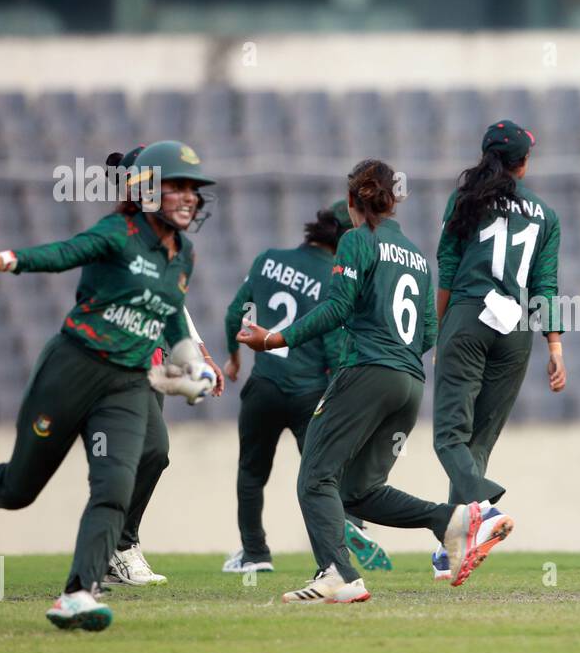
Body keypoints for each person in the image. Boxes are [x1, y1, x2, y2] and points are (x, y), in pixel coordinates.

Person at [0, 140, 218, 631]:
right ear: (146, 190)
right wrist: (8, 259)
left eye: (193, 189)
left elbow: (171, 321)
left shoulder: (184, 254)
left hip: (126, 382)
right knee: (19, 488)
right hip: (73, 366)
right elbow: (64, 252)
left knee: (115, 487)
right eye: (177, 187)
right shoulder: (118, 232)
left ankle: (77, 594)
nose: (189, 198)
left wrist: (192, 365)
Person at [235, 159, 513, 602]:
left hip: (367, 373)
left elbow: (337, 309)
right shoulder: (419, 259)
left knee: (315, 478)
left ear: (352, 201)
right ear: (395, 202)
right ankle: (451, 522)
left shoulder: (355, 241)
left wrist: (274, 338)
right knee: (358, 490)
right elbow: (427, 333)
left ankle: (337, 575)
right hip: (409, 383)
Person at [222, 202, 390, 574]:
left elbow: (235, 312)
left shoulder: (268, 259)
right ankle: (344, 536)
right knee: (322, 475)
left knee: (252, 472)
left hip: (263, 386)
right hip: (309, 394)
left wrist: (233, 357)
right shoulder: (337, 276)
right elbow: (334, 347)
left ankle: (254, 554)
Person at [431, 120, 565, 580]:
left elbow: (447, 267)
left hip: (469, 315)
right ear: (522, 163)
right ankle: (452, 545)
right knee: (478, 442)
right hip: (518, 329)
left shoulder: (465, 199)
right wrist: (556, 346)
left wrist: (439, 329)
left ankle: (483, 511)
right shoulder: (546, 214)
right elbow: (545, 285)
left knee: (449, 436)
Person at [101, 144, 225, 589]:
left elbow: (173, 303)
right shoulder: (122, 236)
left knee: (144, 454)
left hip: (151, 362)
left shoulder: (164, 242)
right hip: (115, 360)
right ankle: (116, 548)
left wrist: (198, 350)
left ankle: (111, 553)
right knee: (147, 452)